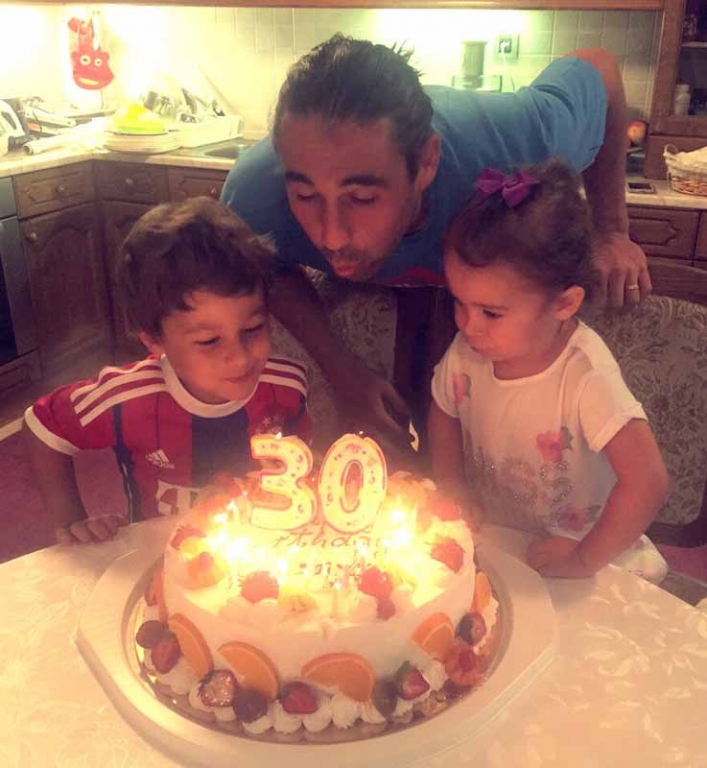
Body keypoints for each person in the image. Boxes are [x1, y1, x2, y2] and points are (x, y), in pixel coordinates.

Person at [221, 34, 650, 445]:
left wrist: (612, 228)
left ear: (427, 162)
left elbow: (599, 68)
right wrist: (344, 374)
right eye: (305, 196)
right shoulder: (254, 195)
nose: (330, 235)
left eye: (363, 198)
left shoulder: (522, 143)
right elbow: (267, 268)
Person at [427, 159, 669, 583]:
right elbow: (444, 409)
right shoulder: (468, 352)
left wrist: (584, 558)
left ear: (564, 304)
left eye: (490, 312)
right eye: (459, 302)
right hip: (504, 543)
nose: (468, 325)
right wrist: (452, 486)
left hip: (591, 555)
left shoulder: (585, 376)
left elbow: (648, 481)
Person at [23, 197, 311, 545]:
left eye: (253, 328)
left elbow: (300, 453)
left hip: (261, 553)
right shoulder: (125, 398)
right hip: (157, 557)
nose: (239, 358)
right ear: (154, 340)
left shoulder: (288, 384)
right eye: (209, 341)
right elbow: (42, 427)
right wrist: (70, 521)